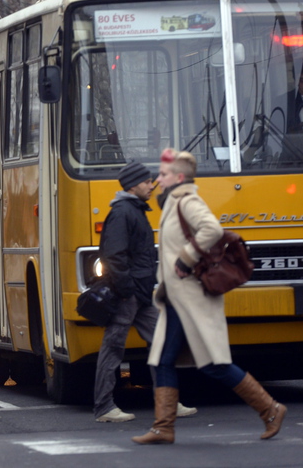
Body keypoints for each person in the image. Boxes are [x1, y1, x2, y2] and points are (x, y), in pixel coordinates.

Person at [133, 149, 286, 445]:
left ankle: (270, 408)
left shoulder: (187, 201)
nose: (158, 180)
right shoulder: (173, 202)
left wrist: (185, 258)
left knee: (213, 364)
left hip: (192, 298)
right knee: (163, 360)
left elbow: (212, 229)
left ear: (178, 178)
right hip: (178, 298)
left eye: (163, 174)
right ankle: (163, 428)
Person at [94, 161, 197, 423]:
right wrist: (127, 289)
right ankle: (104, 407)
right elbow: (114, 256)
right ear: (132, 185)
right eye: (146, 182)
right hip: (128, 294)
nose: (151, 186)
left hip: (139, 293)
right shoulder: (122, 213)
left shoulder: (134, 210)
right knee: (113, 348)